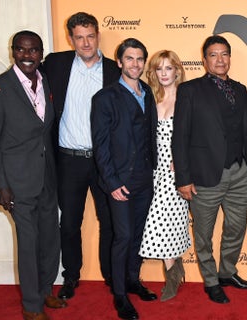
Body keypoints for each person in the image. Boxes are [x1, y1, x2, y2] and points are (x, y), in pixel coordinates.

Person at [0, 12, 120, 299]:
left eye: (90, 36)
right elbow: (18, 77)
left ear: (98, 36)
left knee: (109, 221)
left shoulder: (114, 70)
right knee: (68, 224)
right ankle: (70, 277)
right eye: (78, 37)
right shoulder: (56, 63)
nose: (85, 42)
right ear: (71, 39)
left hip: (103, 161)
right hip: (67, 161)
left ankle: (111, 277)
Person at [0, 30, 67, 320]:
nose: (27, 55)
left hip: (47, 177)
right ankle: (31, 307)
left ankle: (45, 291)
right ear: (12, 51)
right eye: (21, 50)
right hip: (16, 183)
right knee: (28, 244)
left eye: (33, 50)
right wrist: (0, 185)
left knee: (49, 240)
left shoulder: (46, 80)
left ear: (41, 53)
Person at [172, 35, 247, 305]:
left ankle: (227, 272)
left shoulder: (241, 89)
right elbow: (180, 136)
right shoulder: (190, 90)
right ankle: (210, 280)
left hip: (239, 172)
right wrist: (183, 178)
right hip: (205, 175)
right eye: (213, 55)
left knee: (236, 227)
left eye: (224, 54)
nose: (219, 60)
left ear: (229, 58)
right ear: (204, 59)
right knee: (204, 233)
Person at [91, 38, 158, 320]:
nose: (135, 64)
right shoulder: (105, 98)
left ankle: (133, 280)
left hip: (145, 177)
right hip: (119, 181)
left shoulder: (149, 93)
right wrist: (112, 183)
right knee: (123, 236)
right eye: (129, 59)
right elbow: (101, 145)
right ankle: (120, 294)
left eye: (140, 59)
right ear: (119, 62)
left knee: (138, 236)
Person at [138, 50, 191, 302]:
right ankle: (176, 268)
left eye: (168, 68)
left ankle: (171, 276)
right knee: (166, 222)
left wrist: (182, 162)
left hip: (176, 171)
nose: (164, 74)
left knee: (164, 220)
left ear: (177, 70)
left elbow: (196, 134)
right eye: (159, 69)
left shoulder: (186, 97)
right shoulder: (150, 98)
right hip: (153, 169)